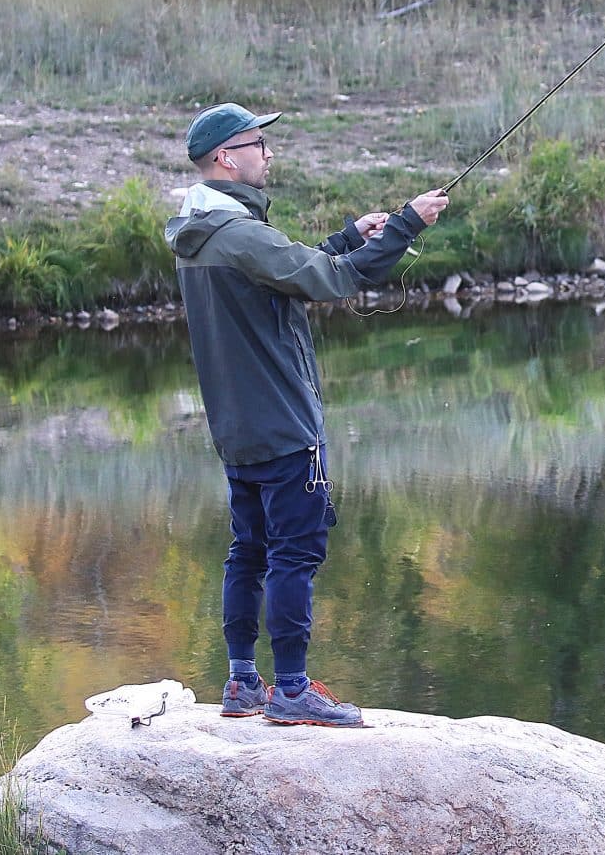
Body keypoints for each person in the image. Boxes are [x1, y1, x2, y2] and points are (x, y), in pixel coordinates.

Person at [164, 102, 449, 727]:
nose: (268, 155)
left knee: (249, 550)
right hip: (284, 425)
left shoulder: (205, 232)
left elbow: (288, 274)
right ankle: (291, 689)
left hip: (236, 428)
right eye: (257, 145)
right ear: (224, 159)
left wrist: (351, 234)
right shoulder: (239, 233)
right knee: (295, 553)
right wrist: (406, 225)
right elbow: (332, 280)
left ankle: (242, 683)